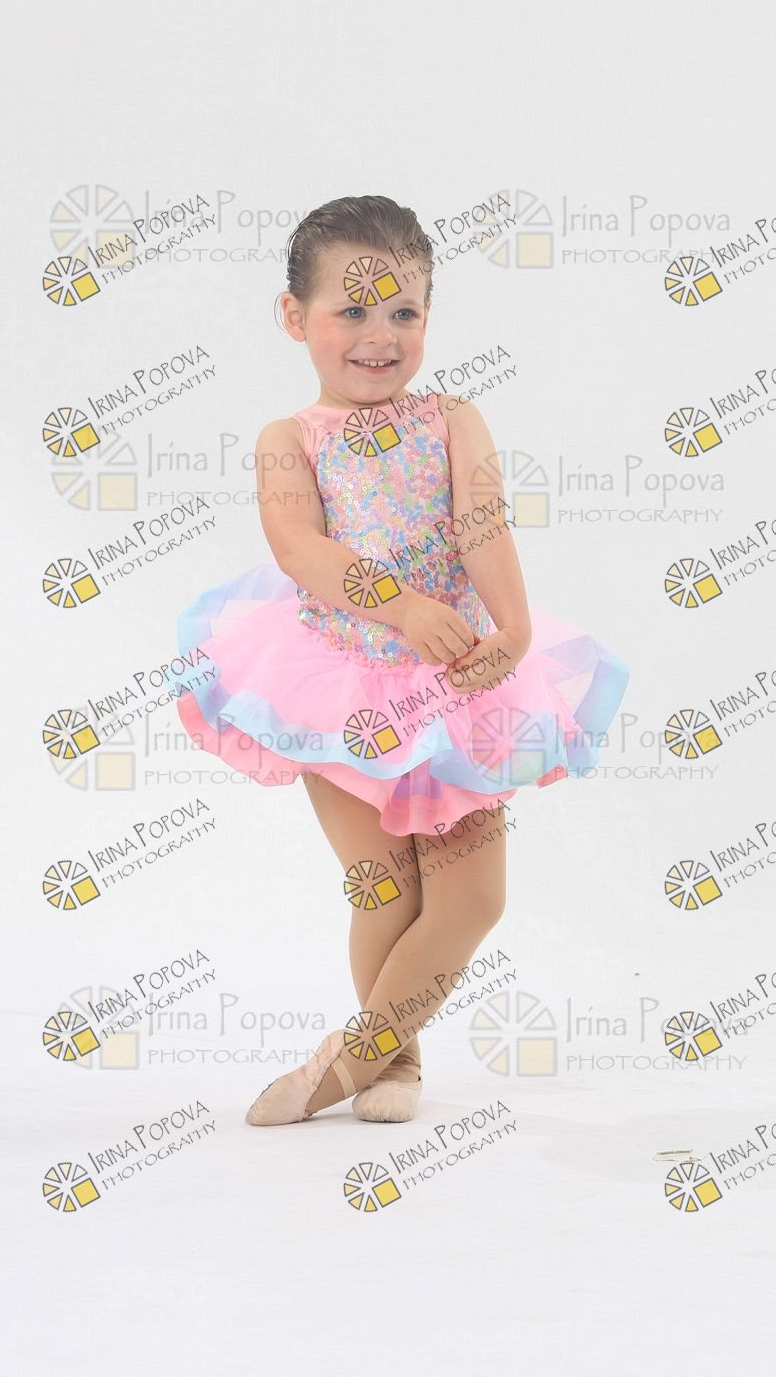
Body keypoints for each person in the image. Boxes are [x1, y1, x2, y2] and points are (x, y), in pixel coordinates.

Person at [168, 194, 629, 1127]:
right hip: (335, 684)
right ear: (294, 316)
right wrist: (404, 607)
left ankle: (341, 1065)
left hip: (457, 687)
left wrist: (512, 629)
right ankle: (395, 1061)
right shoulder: (288, 439)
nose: (379, 336)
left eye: (403, 311)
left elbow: (481, 522)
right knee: (385, 888)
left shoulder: (453, 417)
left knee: (471, 900)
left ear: (428, 314)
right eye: (352, 310)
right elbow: (301, 549)